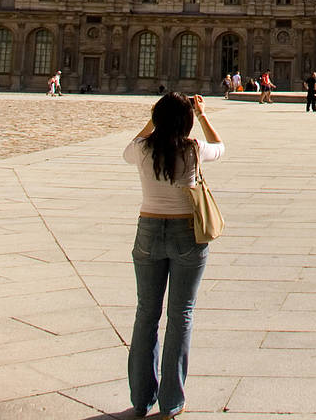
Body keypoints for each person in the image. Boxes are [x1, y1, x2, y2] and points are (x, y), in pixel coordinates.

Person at [124, 91, 224, 419]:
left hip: (148, 231)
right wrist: (204, 115)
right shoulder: (193, 150)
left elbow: (129, 148)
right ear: (188, 121)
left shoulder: (142, 150)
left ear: (158, 118)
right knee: (181, 315)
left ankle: (141, 399)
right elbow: (220, 147)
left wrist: (153, 119)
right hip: (187, 234)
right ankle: (171, 402)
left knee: (145, 315)